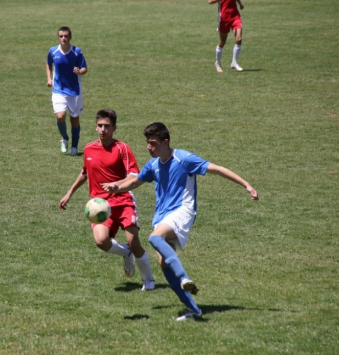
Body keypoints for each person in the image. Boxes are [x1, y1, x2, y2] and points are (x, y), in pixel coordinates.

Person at [102, 122, 258, 321]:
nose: (148, 147)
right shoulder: (153, 164)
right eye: (147, 143)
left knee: (154, 238)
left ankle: (184, 276)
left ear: (165, 142)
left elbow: (217, 169)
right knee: (163, 263)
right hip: (162, 216)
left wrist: (247, 185)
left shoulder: (184, 159)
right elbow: (135, 181)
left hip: (183, 211)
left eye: (153, 143)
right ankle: (193, 309)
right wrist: (117, 187)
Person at [59, 109, 155, 290]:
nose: (103, 129)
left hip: (123, 200)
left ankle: (148, 281)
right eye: (100, 126)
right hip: (100, 206)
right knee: (101, 241)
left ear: (114, 128)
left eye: (107, 126)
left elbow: (135, 174)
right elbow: (84, 173)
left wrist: (117, 185)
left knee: (135, 242)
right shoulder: (88, 148)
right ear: (95, 127)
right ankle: (125, 252)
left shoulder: (122, 148)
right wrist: (69, 193)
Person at [46, 26, 88, 157]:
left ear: (70, 37)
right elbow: (48, 63)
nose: (63, 38)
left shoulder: (77, 52)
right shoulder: (53, 51)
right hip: (58, 89)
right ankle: (65, 138)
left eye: (66, 36)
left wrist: (79, 71)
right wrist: (49, 78)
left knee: (74, 120)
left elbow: (84, 68)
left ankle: (74, 147)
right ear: (58, 37)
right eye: (61, 36)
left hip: (74, 91)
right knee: (60, 116)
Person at [209, 0, 245, 73]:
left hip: (235, 16)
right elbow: (210, 1)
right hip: (224, 18)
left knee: (239, 39)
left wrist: (240, 4)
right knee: (222, 41)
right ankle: (218, 63)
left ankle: (234, 62)